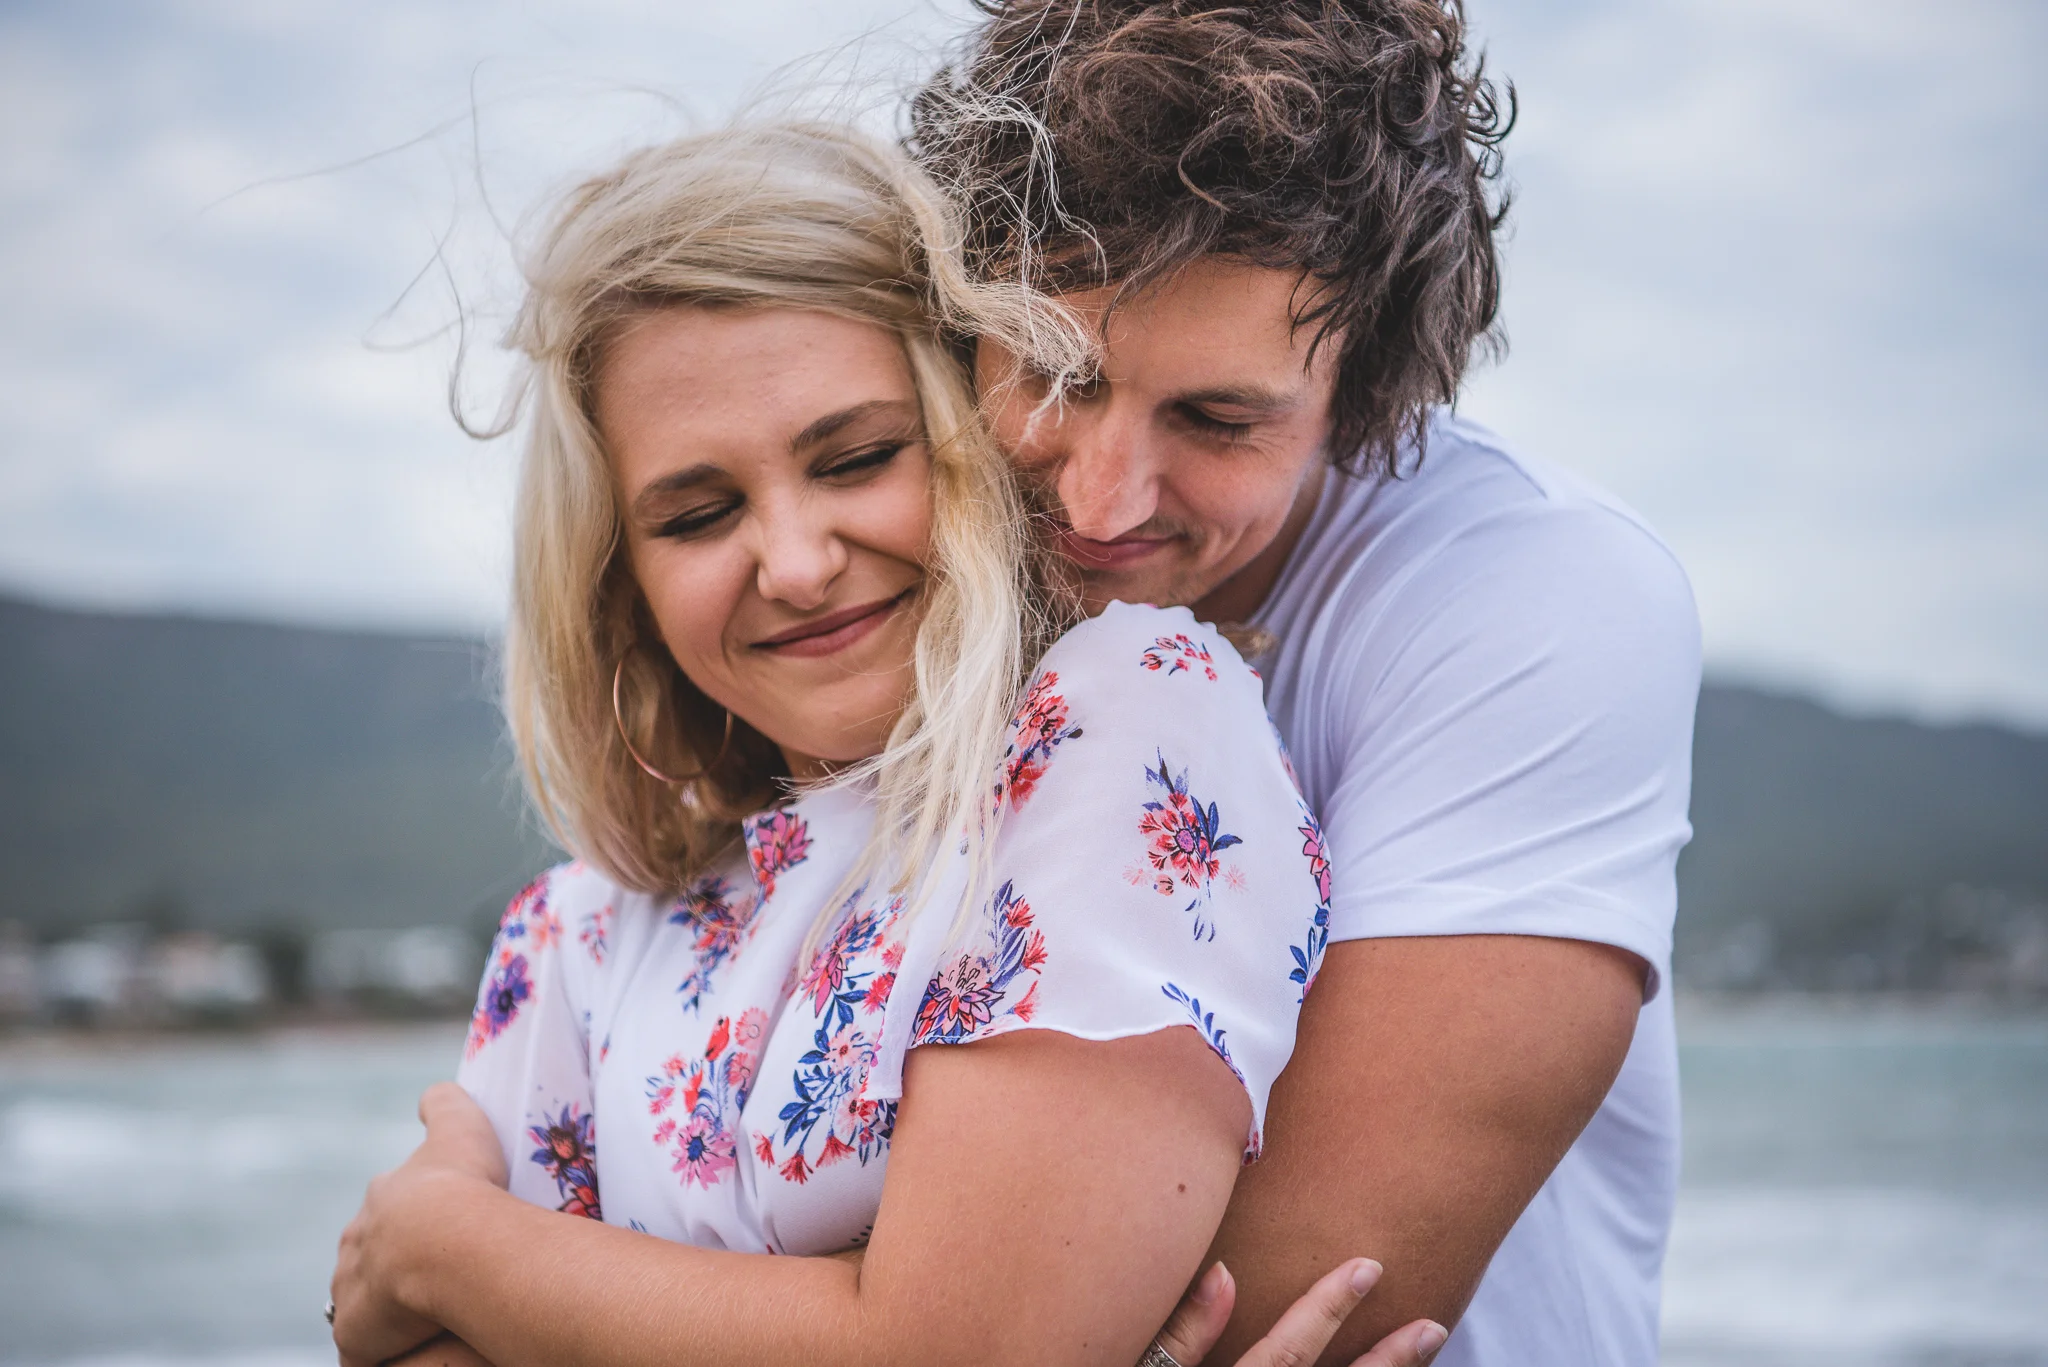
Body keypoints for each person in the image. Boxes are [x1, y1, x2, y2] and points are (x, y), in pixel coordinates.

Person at [328, 123, 1448, 1367]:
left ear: (976, 430)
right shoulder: (576, 930)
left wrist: (451, 1249)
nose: (797, 563)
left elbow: (948, 1351)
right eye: (697, 514)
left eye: (856, 457)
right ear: (618, 581)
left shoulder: (1121, 727)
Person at [907, 2, 1702, 1364]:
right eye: (1053, 369)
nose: (1102, 496)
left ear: (1367, 393)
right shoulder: (882, 558)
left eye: (1218, 419)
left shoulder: (1536, 594)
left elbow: (1307, 1303)